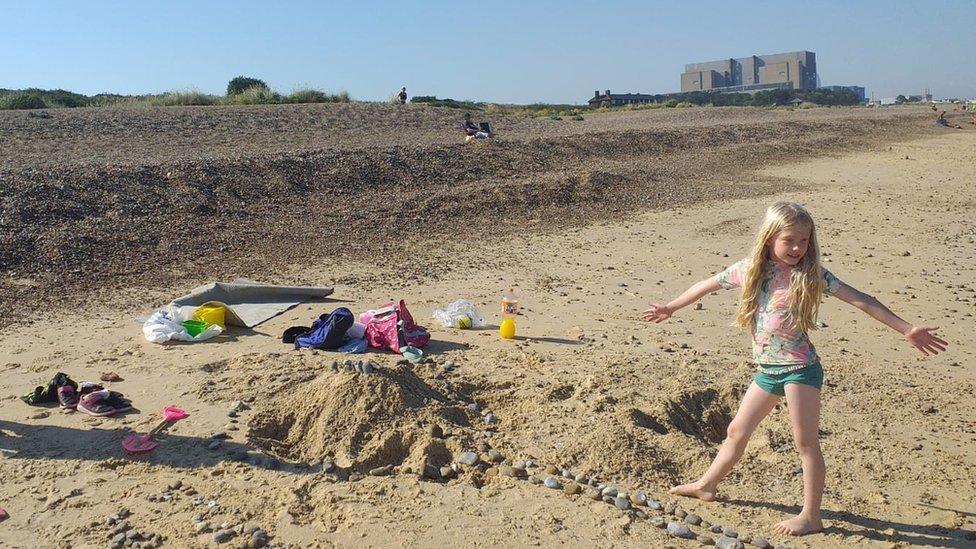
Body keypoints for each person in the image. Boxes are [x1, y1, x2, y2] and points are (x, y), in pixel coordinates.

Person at [641, 202, 947, 537]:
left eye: (804, 240)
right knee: (736, 432)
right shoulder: (749, 270)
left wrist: (906, 329)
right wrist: (671, 306)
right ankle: (706, 484)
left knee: (805, 443)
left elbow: (862, 299)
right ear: (770, 238)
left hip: (800, 370)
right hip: (768, 369)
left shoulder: (811, 274)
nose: (798, 248)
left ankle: (811, 516)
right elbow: (707, 284)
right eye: (790, 240)